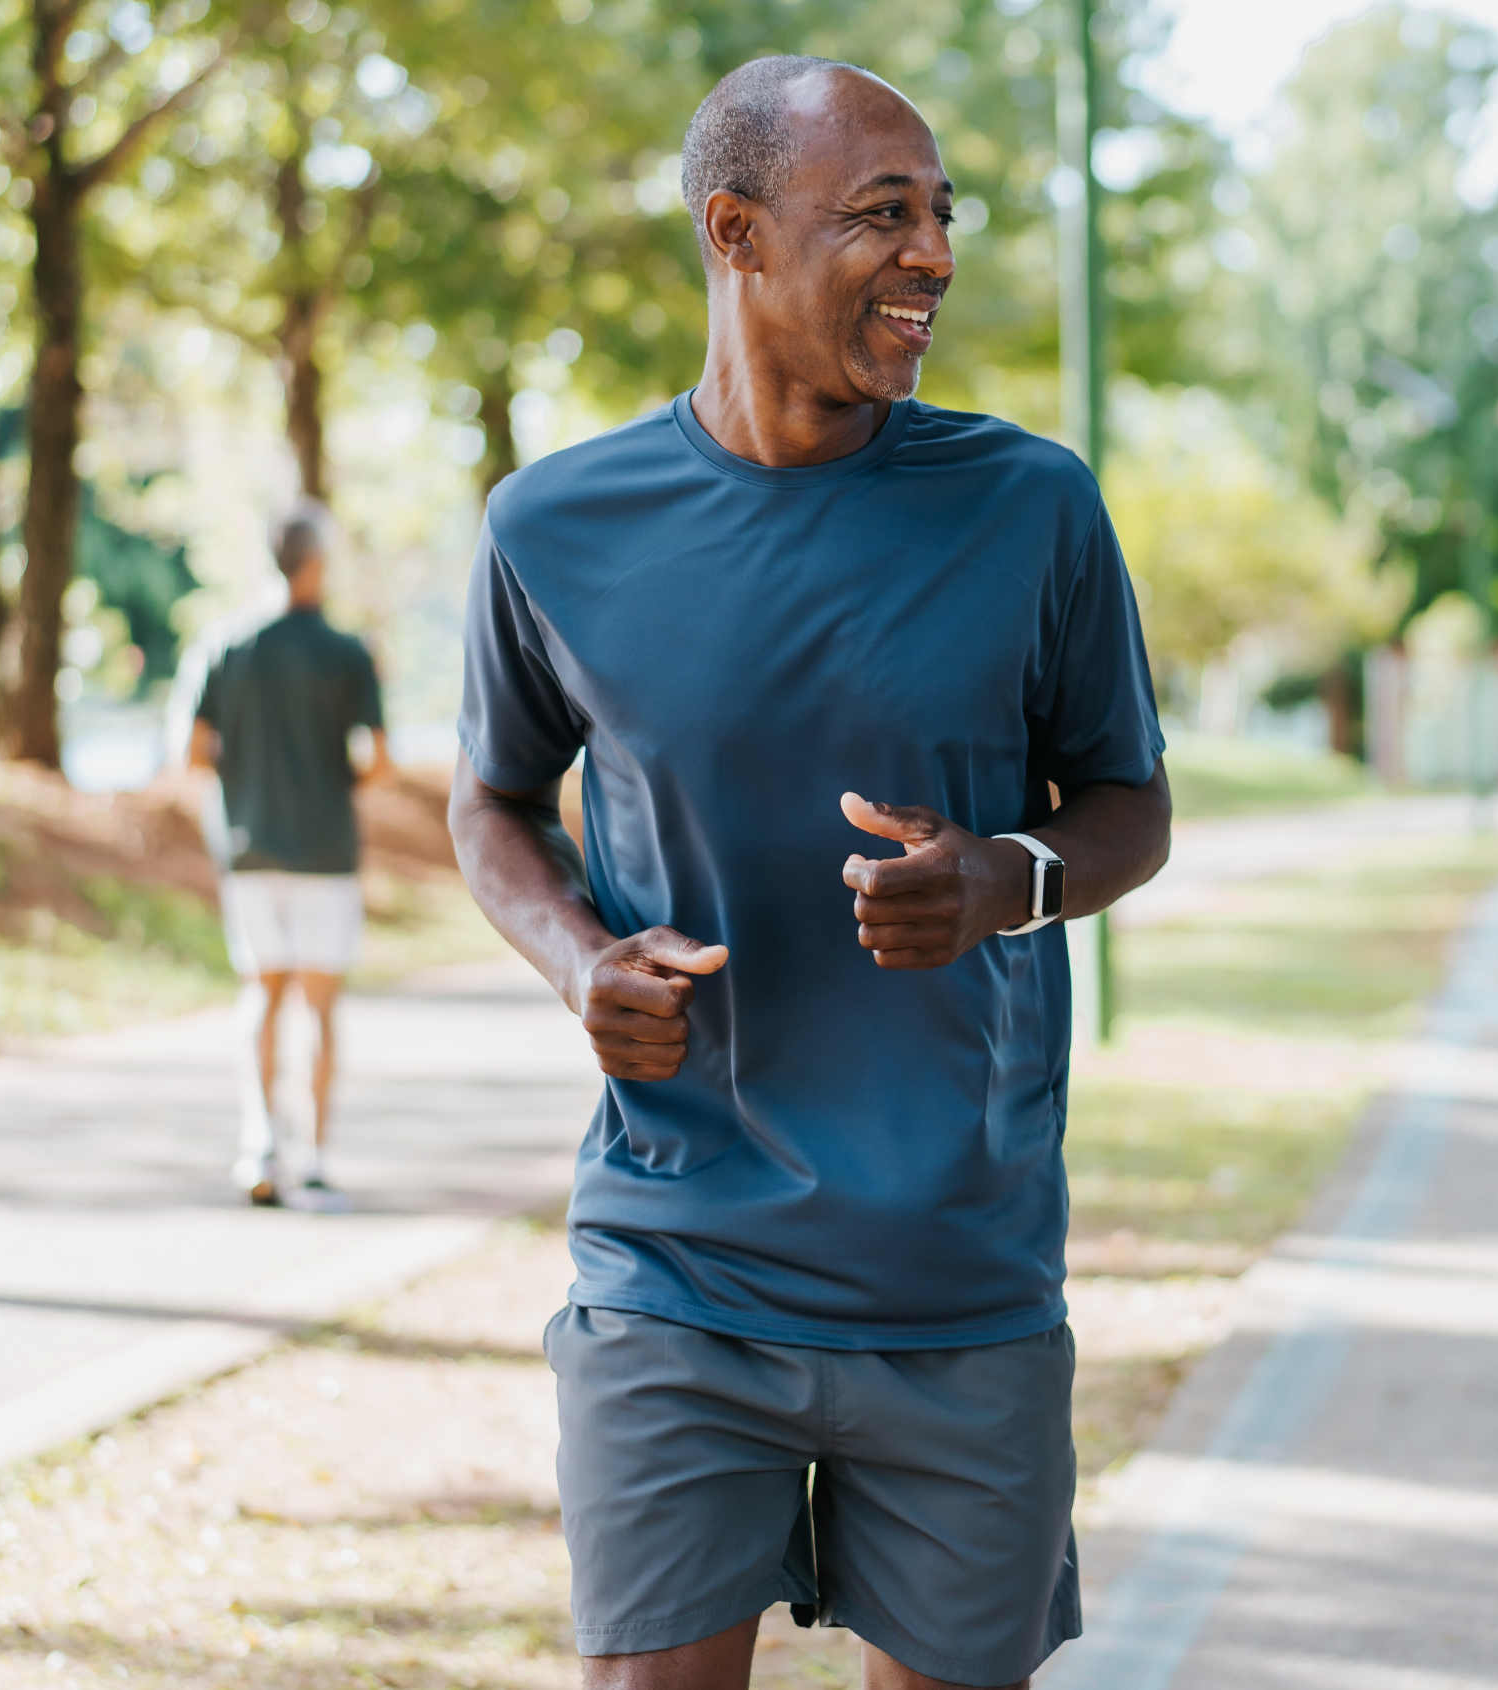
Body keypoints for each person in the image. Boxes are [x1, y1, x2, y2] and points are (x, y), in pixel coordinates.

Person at [445, 56, 1169, 1690]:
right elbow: (490, 804)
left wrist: (1001, 882)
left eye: (942, 216)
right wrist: (579, 962)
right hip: (675, 1269)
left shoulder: (1032, 507)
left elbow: (1132, 804)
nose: (934, 256)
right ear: (737, 233)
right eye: (882, 216)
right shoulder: (554, 524)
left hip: (963, 1273)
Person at [188, 501, 392, 1208]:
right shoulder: (346, 651)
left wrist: (243, 780)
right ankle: (314, 1158)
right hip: (325, 851)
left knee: (261, 995)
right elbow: (377, 758)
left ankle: (259, 1145)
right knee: (320, 1008)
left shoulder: (227, 645)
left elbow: (190, 750)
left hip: (250, 851)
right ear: (315, 564)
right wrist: (337, 777)